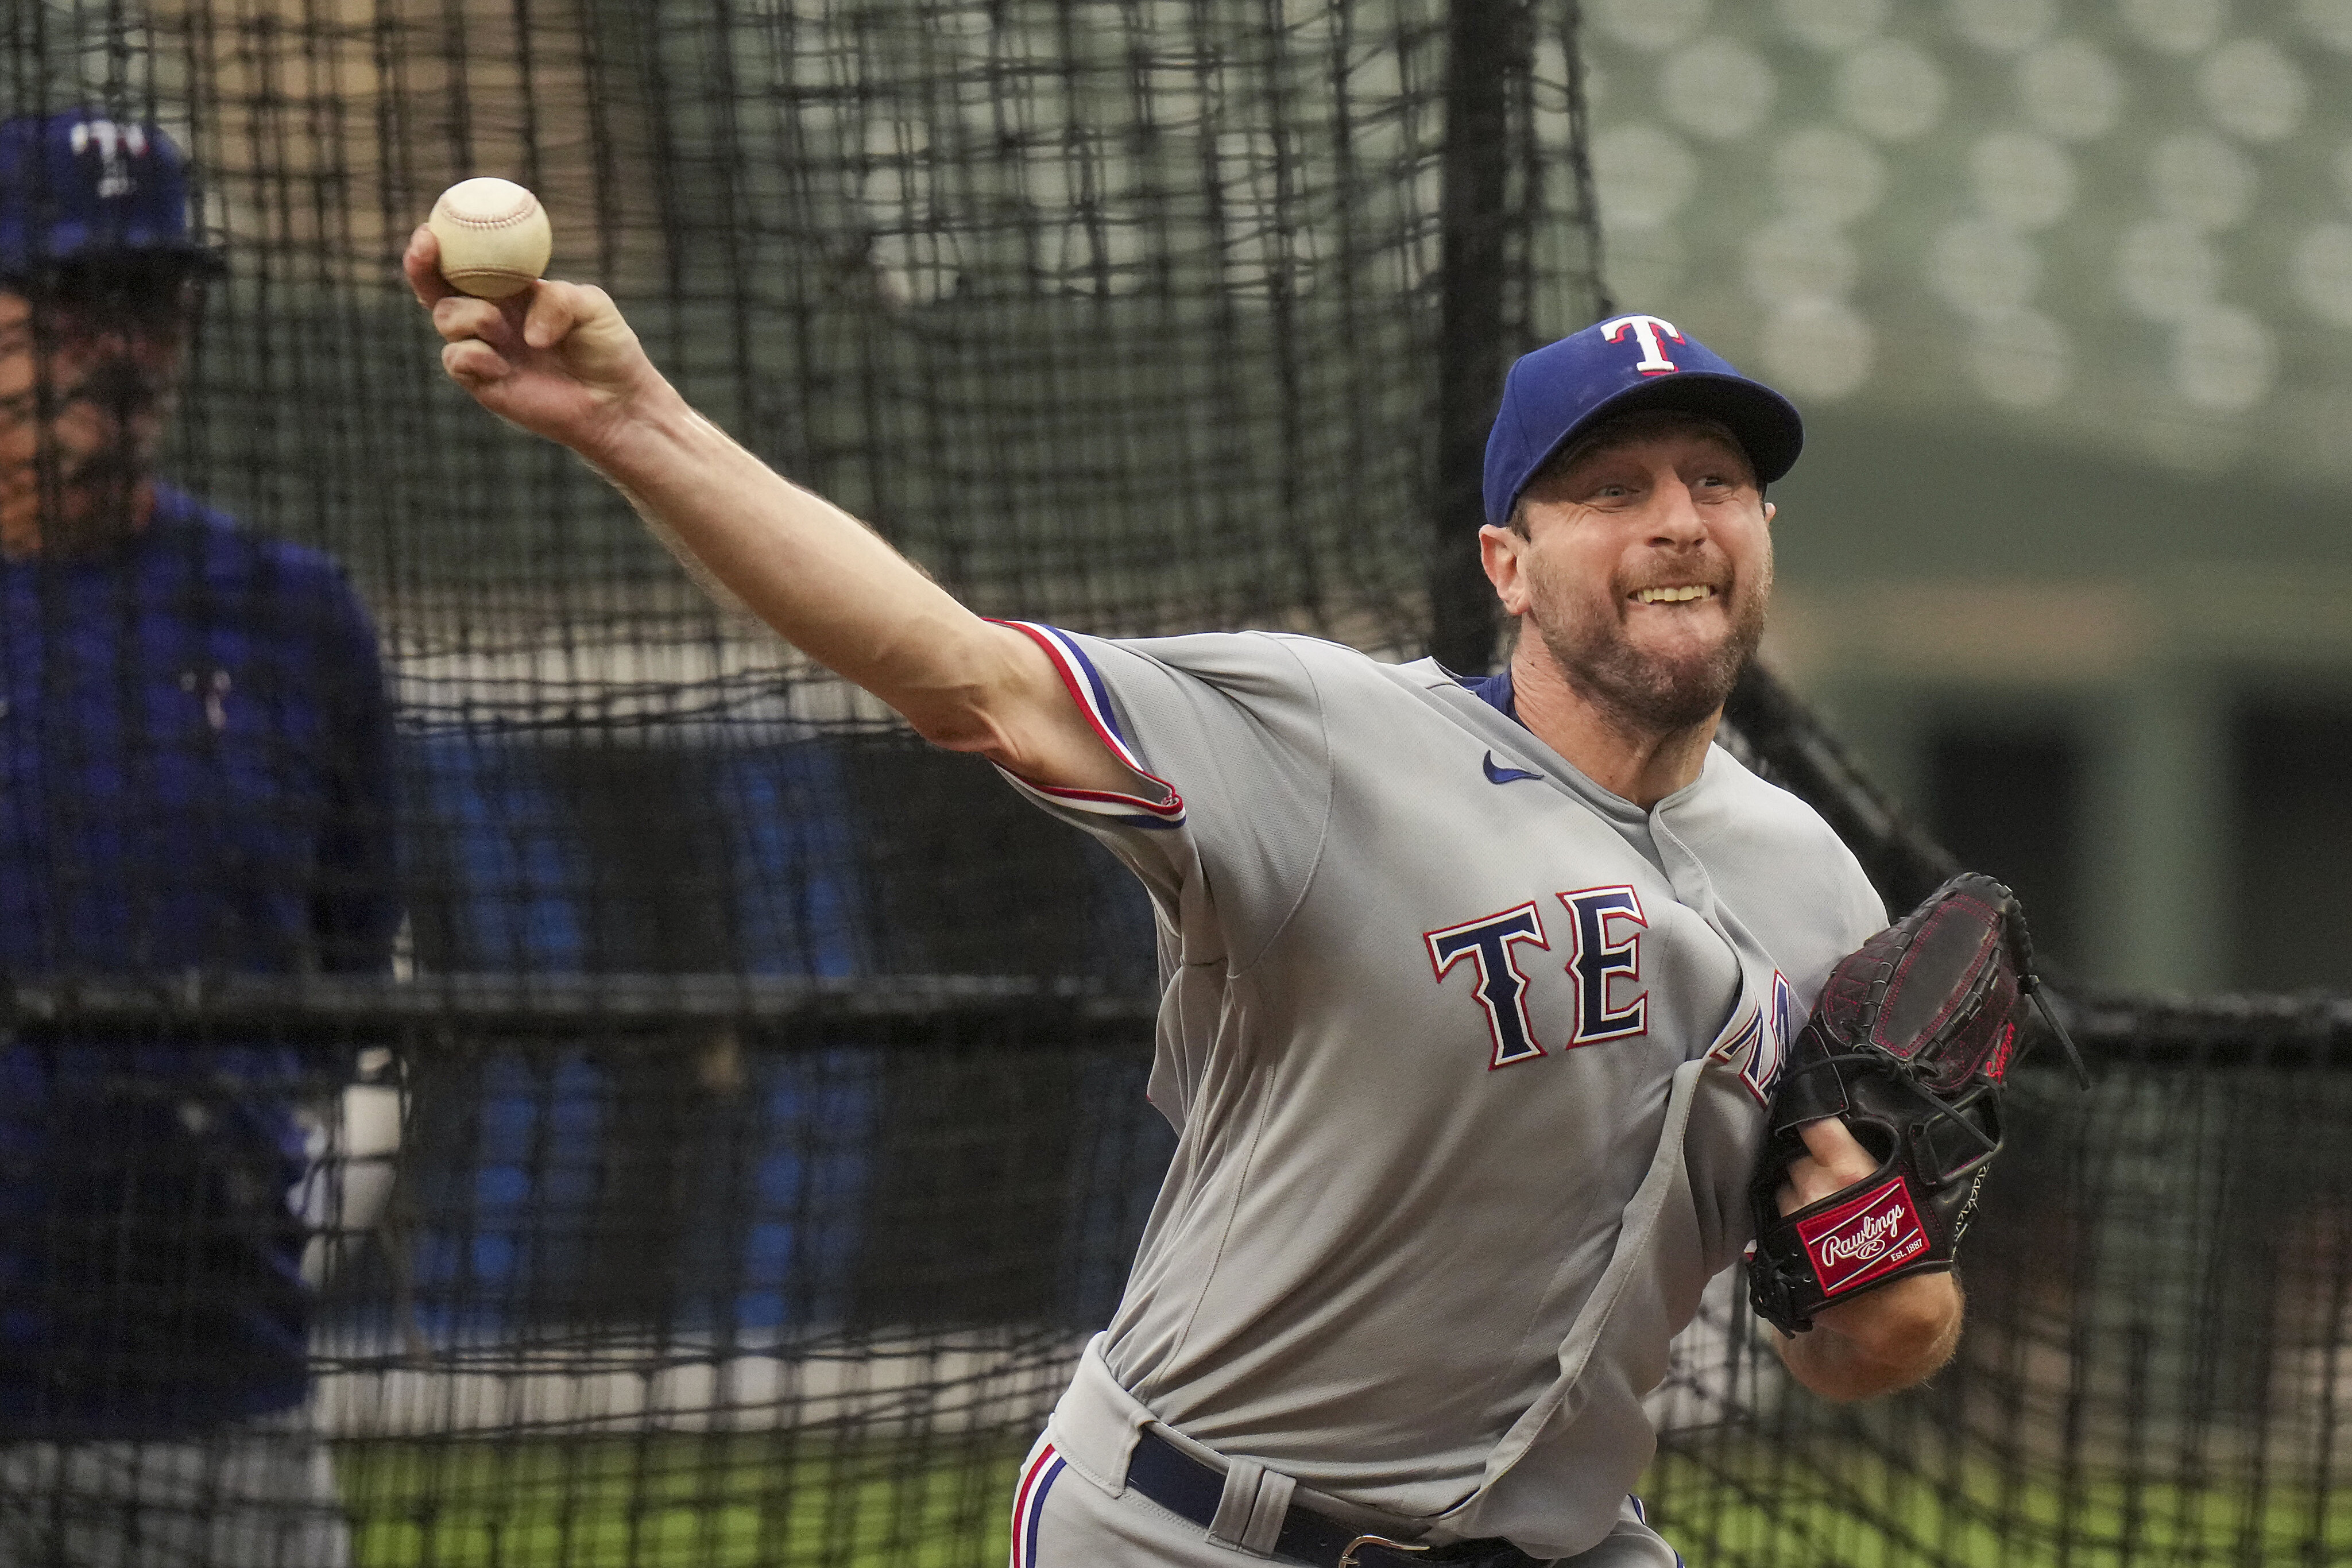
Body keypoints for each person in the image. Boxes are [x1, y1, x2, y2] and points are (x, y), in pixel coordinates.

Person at [408, 219, 1962, 1562]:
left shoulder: (1817, 890)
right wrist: (635, 422)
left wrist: (1882, 1293)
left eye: (1718, 479)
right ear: (1507, 561)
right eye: (1611, 488)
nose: (1679, 517)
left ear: (1763, 532)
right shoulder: (1331, 739)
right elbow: (962, 675)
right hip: (1193, 1527)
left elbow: (1864, 1339)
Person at [0, 109, 396, 1564]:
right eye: (71, 300)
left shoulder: (290, 619)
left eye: (154, 303)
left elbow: (349, 974)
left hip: (206, 1397)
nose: (124, 346)